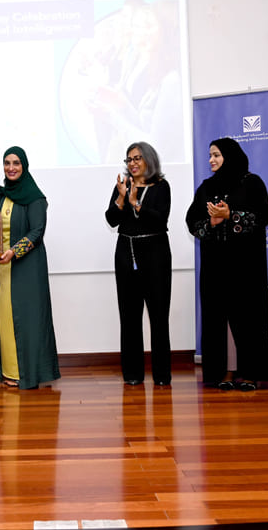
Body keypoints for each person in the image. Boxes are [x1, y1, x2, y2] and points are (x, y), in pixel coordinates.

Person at [185, 137, 268, 391]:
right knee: (218, 319)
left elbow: (262, 216)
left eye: (216, 155)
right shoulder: (206, 187)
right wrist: (211, 223)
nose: (211, 160)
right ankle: (224, 371)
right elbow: (192, 222)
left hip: (246, 266)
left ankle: (250, 373)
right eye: (210, 155)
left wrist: (230, 215)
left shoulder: (252, 182)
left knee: (247, 317)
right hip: (215, 266)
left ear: (230, 156)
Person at [0, 146, 60, 389]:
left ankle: (29, 374)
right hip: (4, 269)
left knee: (28, 320)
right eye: (7, 163)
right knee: (6, 318)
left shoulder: (35, 197)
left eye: (16, 163)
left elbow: (37, 231)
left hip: (27, 267)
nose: (11, 168)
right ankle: (10, 370)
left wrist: (14, 252)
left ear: (24, 166)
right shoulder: (1, 196)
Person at [104, 141, 172, 386]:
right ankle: (132, 374)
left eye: (137, 158)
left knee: (158, 316)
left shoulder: (161, 186)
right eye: (129, 159)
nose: (132, 163)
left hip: (155, 255)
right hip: (126, 254)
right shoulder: (123, 186)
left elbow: (160, 220)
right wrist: (122, 199)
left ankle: (162, 375)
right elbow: (111, 219)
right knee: (130, 317)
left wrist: (136, 203)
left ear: (148, 160)